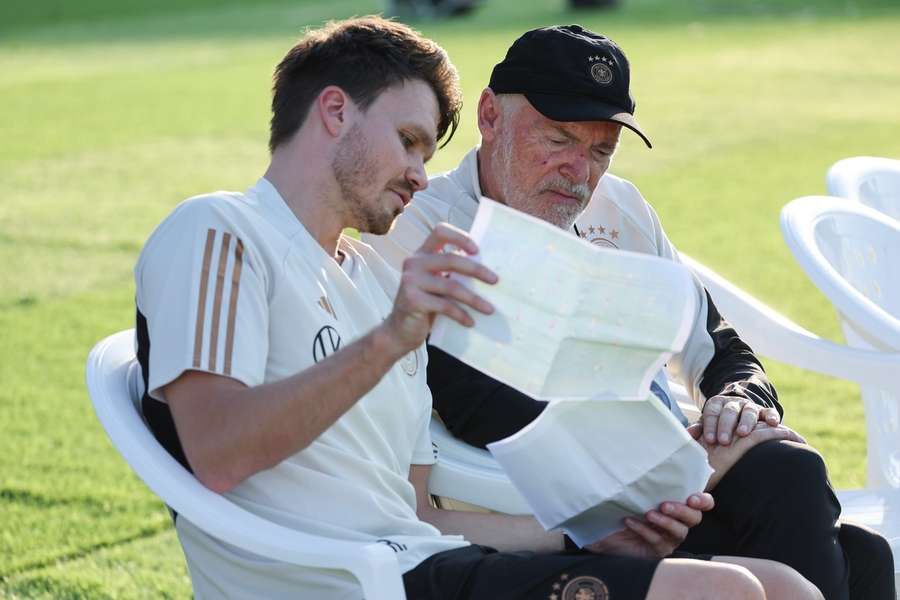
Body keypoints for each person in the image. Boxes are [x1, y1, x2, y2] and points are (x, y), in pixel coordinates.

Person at [134, 16, 826, 600]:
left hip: (421, 557)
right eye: (408, 141)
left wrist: (587, 538)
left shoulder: (371, 284)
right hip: (353, 578)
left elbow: (414, 511)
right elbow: (218, 455)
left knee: (790, 580)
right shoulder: (221, 230)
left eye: (428, 149)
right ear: (336, 111)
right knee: (737, 593)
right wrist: (394, 337)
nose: (419, 172)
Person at [364, 24, 895, 600]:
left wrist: (740, 399)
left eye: (601, 151)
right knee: (835, 533)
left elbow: (713, 340)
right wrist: (698, 459)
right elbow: (478, 400)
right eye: (559, 139)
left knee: (817, 502)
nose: (580, 172)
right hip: (547, 494)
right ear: (490, 117)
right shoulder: (421, 225)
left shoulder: (621, 207)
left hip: (672, 469)